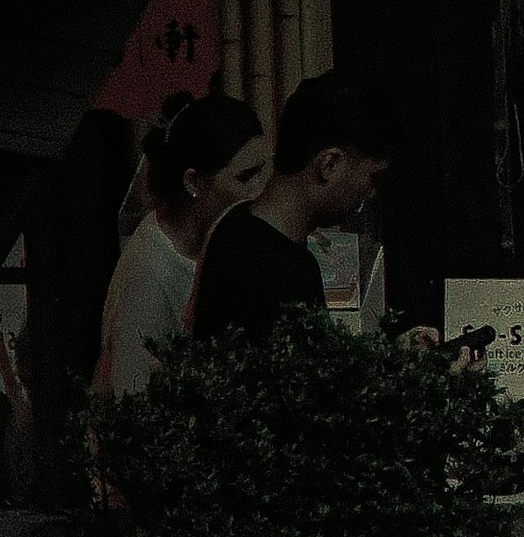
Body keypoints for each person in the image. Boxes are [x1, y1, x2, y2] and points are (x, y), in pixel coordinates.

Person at [190, 77, 402, 341]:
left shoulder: (232, 223)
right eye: (372, 178)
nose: (371, 193)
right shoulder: (284, 270)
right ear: (330, 164)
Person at [97, 90, 267, 398]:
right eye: (245, 178)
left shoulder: (211, 241)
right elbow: (132, 401)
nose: (257, 193)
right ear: (193, 182)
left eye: (261, 174)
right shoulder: (149, 275)